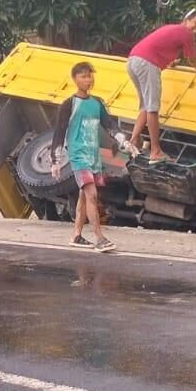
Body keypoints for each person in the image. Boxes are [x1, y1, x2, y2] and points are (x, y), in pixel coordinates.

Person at [51, 62, 132, 253]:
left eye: (90, 76)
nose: (88, 80)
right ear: (75, 79)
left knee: (84, 197)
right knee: (92, 194)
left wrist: (124, 142)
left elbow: (110, 125)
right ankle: (99, 238)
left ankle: (76, 235)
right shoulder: (68, 104)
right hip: (78, 156)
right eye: (83, 76)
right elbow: (59, 132)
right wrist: (55, 160)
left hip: (93, 156)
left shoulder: (97, 103)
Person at [127, 9, 196, 164]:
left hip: (133, 60)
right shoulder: (186, 33)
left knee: (145, 105)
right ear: (186, 20)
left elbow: (161, 48)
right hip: (147, 63)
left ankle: (133, 140)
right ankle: (155, 151)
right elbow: (192, 59)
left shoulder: (172, 29)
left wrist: (170, 62)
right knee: (152, 108)